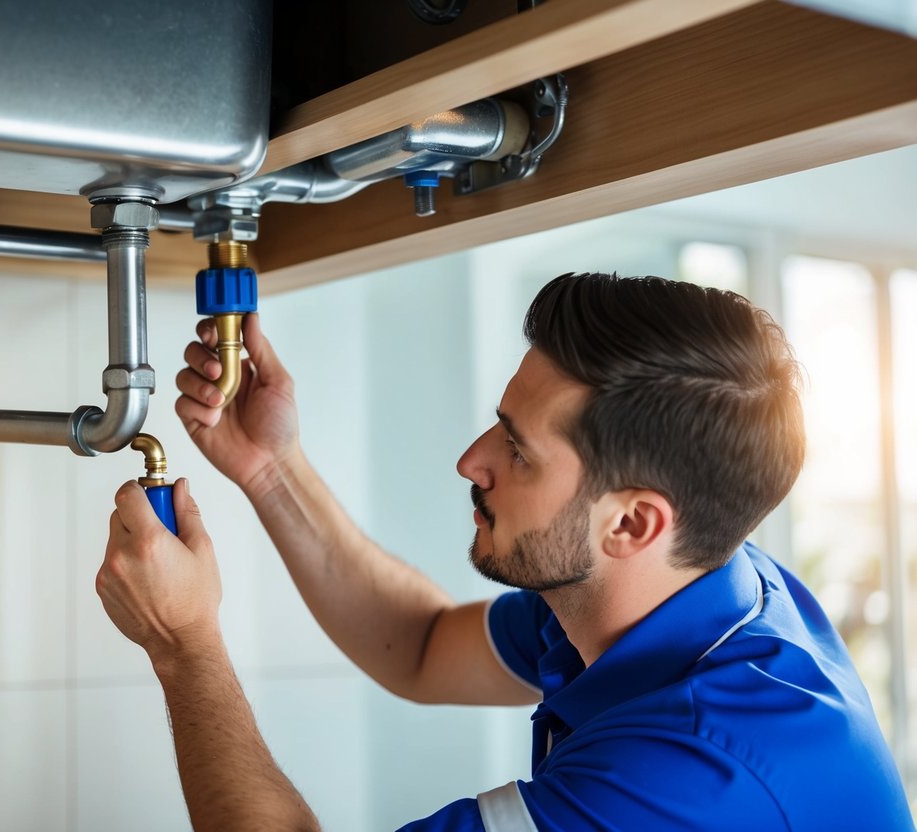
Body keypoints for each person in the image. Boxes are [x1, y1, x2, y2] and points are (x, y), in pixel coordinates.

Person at [95, 272, 915, 831]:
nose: (471, 459)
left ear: (631, 525)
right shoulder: (695, 587)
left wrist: (181, 643)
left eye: (517, 450)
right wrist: (271, 469)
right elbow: (419, 646)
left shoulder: (690, 776)